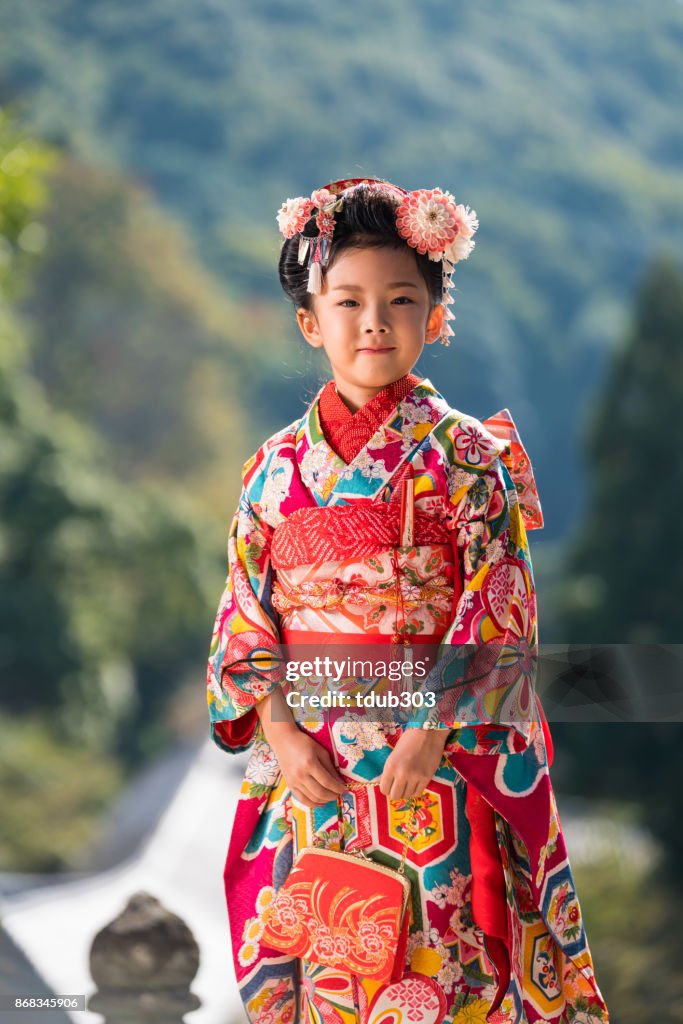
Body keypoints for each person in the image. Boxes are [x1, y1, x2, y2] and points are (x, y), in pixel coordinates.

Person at [206, 178, 610, 1024]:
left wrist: (428, 737)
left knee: (444, 961)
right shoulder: (273, 470)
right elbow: (248, 611)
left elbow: (498, 605)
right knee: (333, 973)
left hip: (435, 766)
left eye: (399, 300)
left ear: (434, 319)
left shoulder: (466, 456)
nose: (373, 323)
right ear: (310, 322)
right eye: (346, 301)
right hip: (315, 772)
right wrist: (278, 731)